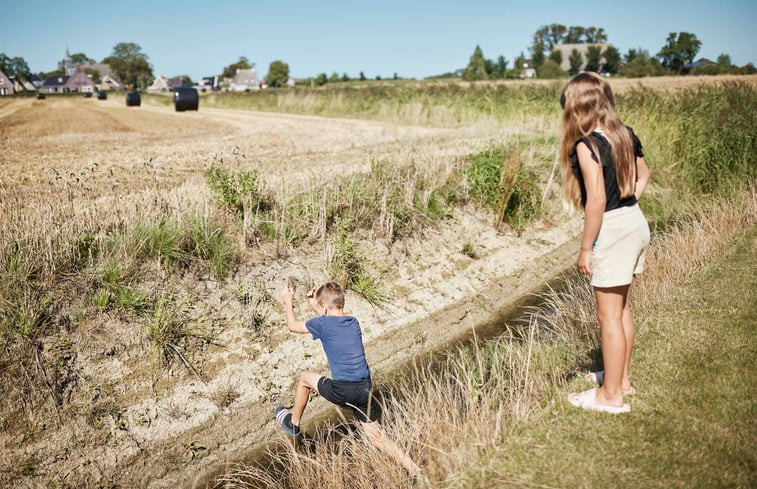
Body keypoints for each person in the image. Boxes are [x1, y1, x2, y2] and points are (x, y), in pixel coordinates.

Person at [559, 72, 651, 414]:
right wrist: (631, 206)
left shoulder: (587, 145)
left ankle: (610, 396)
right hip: (635, 222)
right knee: (623, 308)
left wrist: (586, 249)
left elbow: (595, 200)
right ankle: (620, 379)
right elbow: (644, 175)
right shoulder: (624, 134)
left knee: (608, 315)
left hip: (612, 228)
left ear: (579, 106)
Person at [276, 281, 421, 477]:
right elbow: (329, 322)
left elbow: (292, 326)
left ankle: (292, 424)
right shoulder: (353, 322)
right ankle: (414, 469)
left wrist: (288, 299)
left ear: (324, 307)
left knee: (304, 378)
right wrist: (316, 304)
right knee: (376, 436)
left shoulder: (322, 323)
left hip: (343, 390)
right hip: (365, 389)